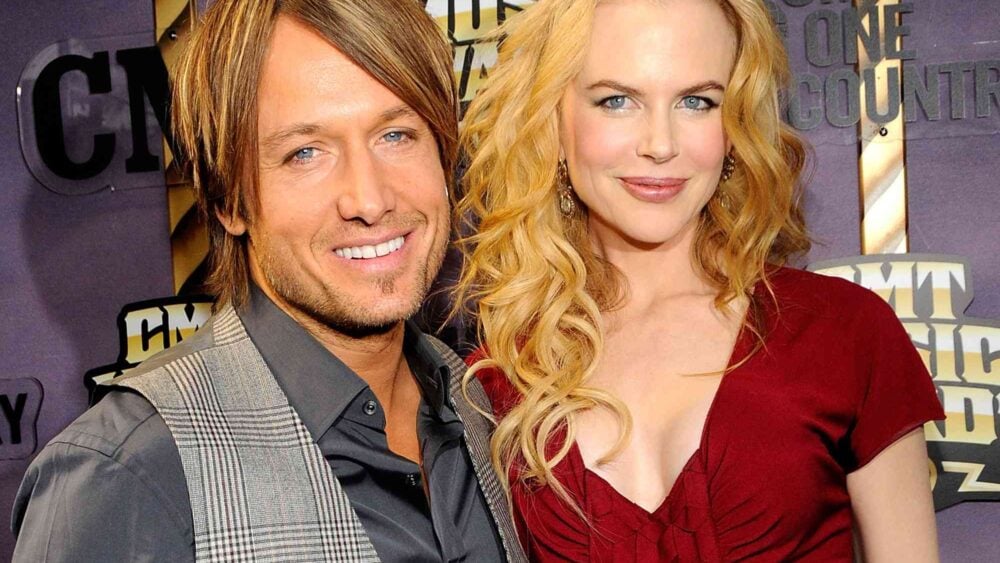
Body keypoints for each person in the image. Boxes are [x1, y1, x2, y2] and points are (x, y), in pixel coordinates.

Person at [12, 1, 526, 561]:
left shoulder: (485, 407)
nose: (370, 199)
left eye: (396, 135)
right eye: (305, 153)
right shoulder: (127, 474)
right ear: (229, 201)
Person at [454, 0, 944, 560]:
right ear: (552, 122)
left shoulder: (842, 332)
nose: (660, 144)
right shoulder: (498, 379)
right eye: (616, 100)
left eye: (697, 102)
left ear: (734, 126)